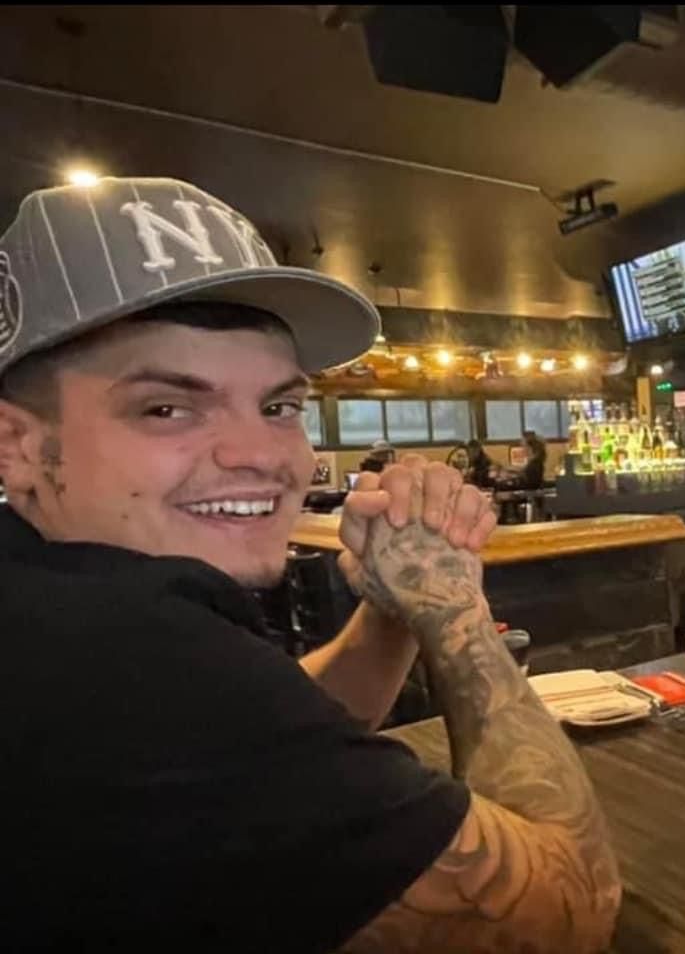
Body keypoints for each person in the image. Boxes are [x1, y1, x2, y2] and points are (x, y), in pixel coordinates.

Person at [0, 177, 620, 952]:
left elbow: (271, 736)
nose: (259, 455)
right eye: (166, 408)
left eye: (278, 407)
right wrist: (451, 600)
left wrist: (395, 600)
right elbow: (572, 903)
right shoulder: (124, 658)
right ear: (19, 445)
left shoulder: (47, 595)